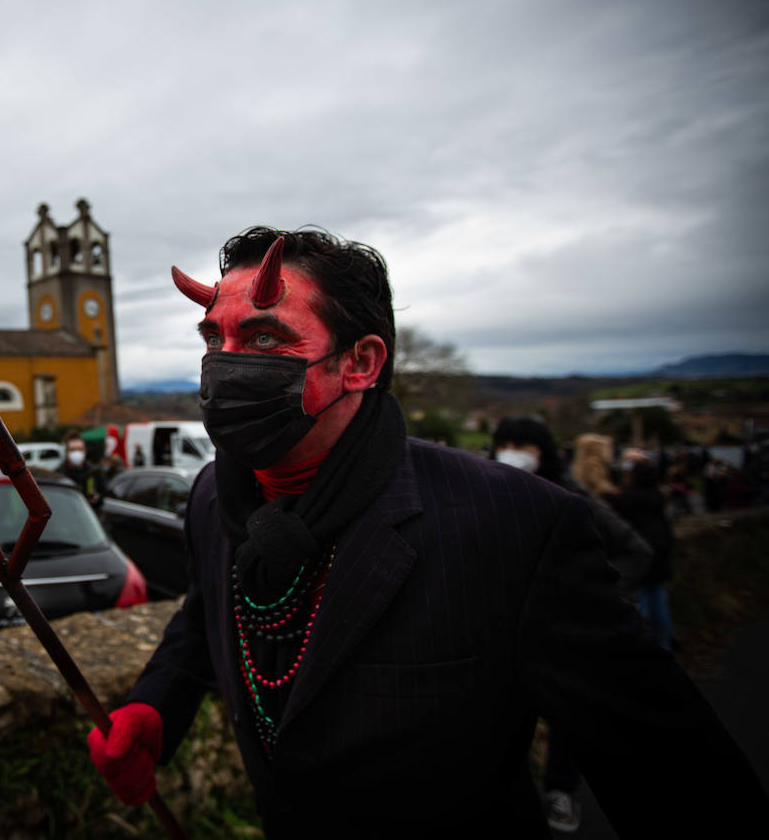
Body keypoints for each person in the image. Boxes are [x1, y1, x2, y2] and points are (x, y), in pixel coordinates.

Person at [85, 226, 767, 837]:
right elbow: (210, 610)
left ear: (361, 362)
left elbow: (678, 777)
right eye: (214, 338)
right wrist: (157, 706)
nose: (224, 363)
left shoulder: (514, 525)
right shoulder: (210, 497)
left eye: (264, 337)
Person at [492, 418, 652, 833]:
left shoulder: (569, 497)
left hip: (561, 631)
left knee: (568, 713)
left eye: (522, 444)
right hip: (507, 626)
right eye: (505, 443)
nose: (512, 451)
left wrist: (589, 595)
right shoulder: (487, 492)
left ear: (542, 449)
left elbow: (635, 552)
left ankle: (561, 789)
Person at [610, 452, 677, 651]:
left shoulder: (626, 498)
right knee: (659, 600)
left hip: (639, 553)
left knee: (642, 604)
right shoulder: (658, 496)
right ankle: (665, 643)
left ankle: (647, 647)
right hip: (660, 552)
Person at [55, 429, 104, 509]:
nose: (77, 453)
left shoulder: (94, 472)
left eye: (80, 449)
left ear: (85, 451)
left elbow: (103, 494)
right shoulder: (58, 474)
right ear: (66, 452)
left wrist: (98, 498)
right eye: (73, 450)